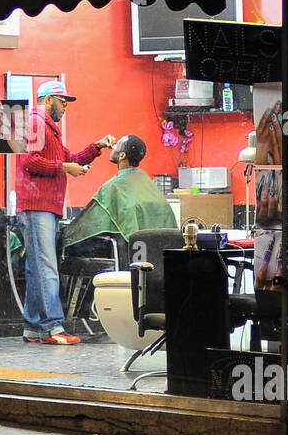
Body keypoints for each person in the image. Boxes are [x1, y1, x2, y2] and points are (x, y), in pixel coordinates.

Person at [15, 79, 114, 345]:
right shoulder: (35, 122)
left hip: (42, 206)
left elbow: (71, 158)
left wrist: (96, 148)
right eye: (63, 101)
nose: (66, 107)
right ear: (48, 100)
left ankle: (34, 328)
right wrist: (64, 168)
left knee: (37, 268)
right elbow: (30, 162)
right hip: (37, 206)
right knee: (47, 267)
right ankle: (52, 329)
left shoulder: (48, 129)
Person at [61, 135, 177, 260]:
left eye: (117, 146)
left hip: (128, 252)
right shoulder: (147, 183)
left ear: (122, 156)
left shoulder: (114, 186)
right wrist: (97, 146)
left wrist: (66, 233)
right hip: (155, 255)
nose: (113, 146)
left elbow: (91, 221)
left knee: (63, 242)